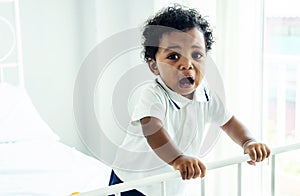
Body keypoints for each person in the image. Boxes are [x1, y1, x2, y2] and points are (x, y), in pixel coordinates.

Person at [110, 4, 271, 196]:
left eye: (197, 55)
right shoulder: (153, 94)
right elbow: (152, 129)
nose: (187, 64)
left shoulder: (206, 94)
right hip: (133, 181)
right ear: (154, 66)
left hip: (169, 182)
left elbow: (229, 122)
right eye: (174, 56)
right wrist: (178, 158)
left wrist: (248, 141)